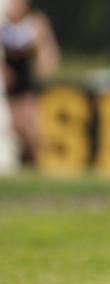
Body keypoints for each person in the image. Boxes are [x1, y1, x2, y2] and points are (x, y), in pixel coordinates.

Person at [1, 0, 59, 165]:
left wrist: (45, 60)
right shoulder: (3, 22)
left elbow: (47, 52)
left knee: (30, 130)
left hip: (27, 86)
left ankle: (33, 163)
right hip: (7, 89)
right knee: (12, 129)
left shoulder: (35, 21)